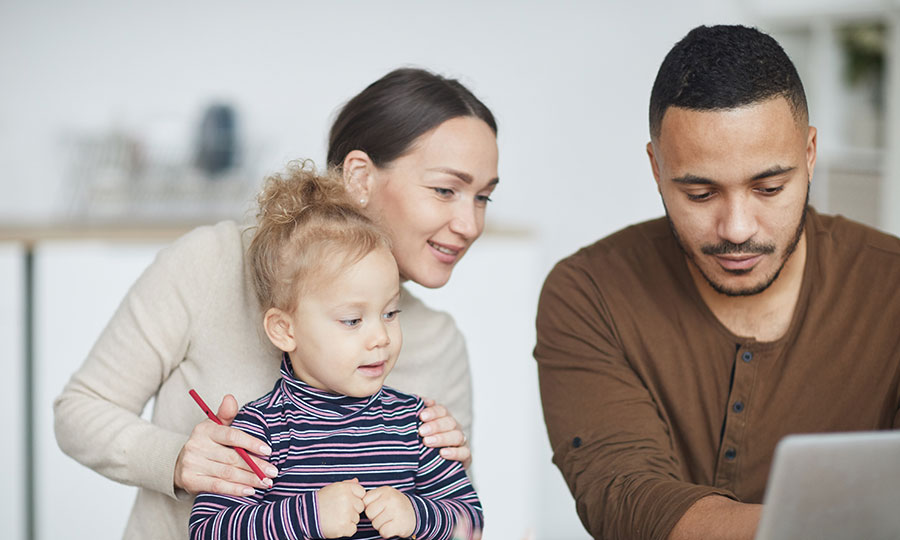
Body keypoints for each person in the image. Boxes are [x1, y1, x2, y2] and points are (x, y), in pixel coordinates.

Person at [54, 67, 499, 539]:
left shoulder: (439, 343)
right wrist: (178, 460)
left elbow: (461, 519)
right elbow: (79, 411)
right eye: (446, 189)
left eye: (484, 198)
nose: (470, 225)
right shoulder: (212, 263)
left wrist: (426, 516)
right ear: (360, 177)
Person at [534, 24, 900, 540]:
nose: (737, 229)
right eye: (701, 194)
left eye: (769, 188)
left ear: (811, 153)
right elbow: (626, 498)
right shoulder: (590, 291)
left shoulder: (892, 285)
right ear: (657, 168)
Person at [189, 163, 482, 539]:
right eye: (352, 321)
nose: (381, 337)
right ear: (284, 329)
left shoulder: (418, 425)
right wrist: (308, 516)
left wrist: (418, 515)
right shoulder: (258, 432)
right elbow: (209, 531)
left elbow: (470, 522)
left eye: (390, 313)